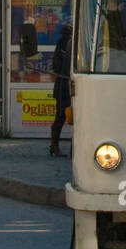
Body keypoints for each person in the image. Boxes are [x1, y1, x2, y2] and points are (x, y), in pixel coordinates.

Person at [49, 22, 72, 157]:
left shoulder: (61, 44)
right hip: (65, 87)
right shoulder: (67, 44)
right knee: (62, 116)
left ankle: (54, 145)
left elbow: (55, 67)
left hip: (63, 86)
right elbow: (58, 67)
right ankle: (54, 146)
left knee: (61, 117)